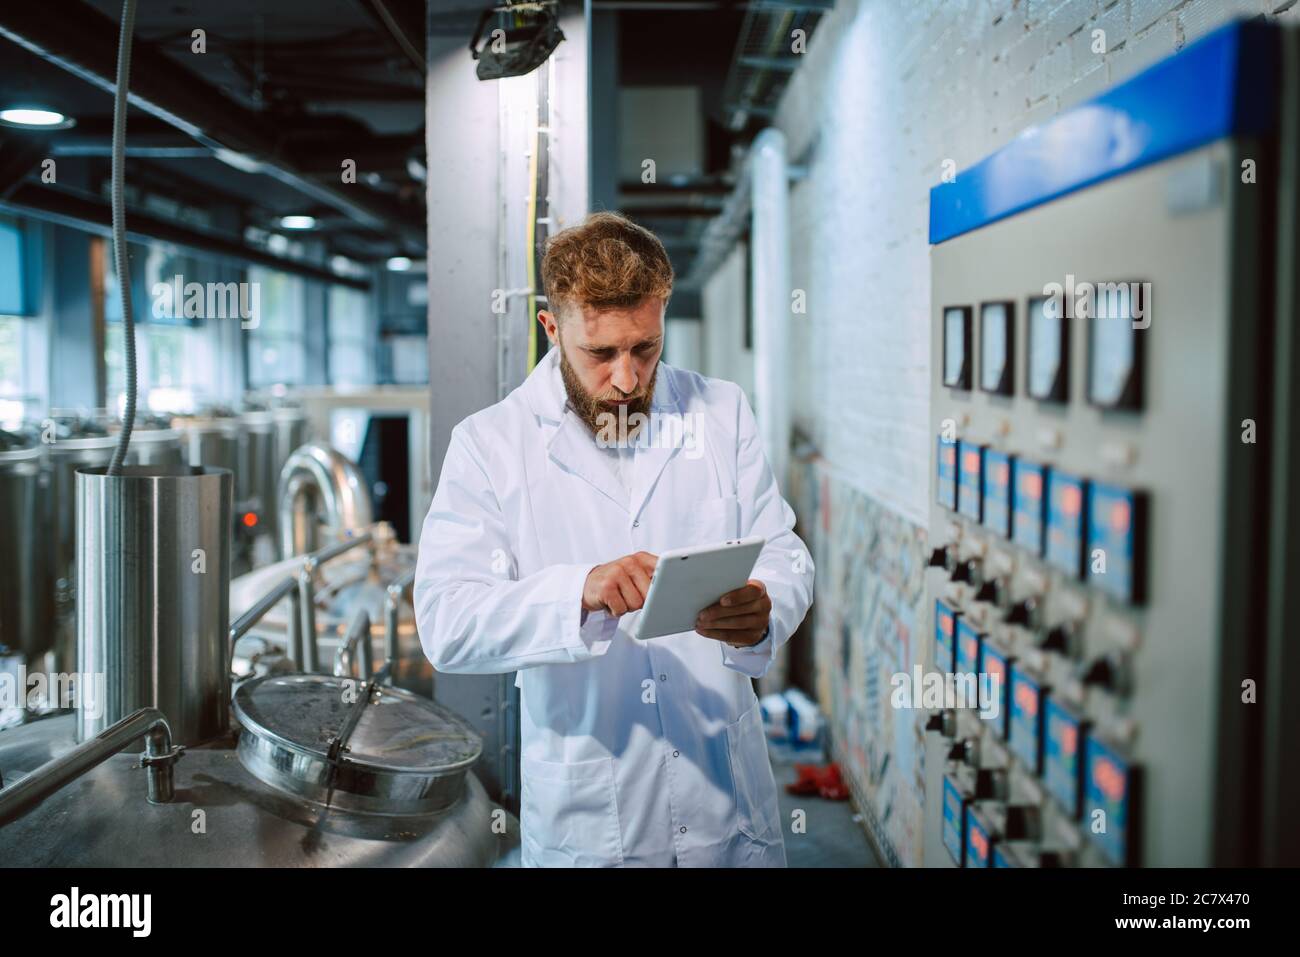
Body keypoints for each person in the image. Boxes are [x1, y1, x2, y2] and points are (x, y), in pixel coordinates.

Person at [414, 211, 814, 867]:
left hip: (726, 799)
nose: (627, 379)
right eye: (600, 354)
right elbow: (446, 620)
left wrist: (766, 601)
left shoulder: (721, 412)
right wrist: (580, 590)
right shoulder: (491, 445)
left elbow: (783, 547)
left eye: (646, 348)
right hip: (594, 823)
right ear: (552, 327)